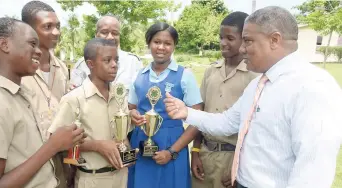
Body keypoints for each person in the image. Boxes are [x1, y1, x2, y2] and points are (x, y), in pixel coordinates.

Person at [164, 6, 342, 188]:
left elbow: (313, 170)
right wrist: (187, 112)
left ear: (274, 40)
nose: (241, 49)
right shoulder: (258, 85)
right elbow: (226, 123)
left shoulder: (312, 86)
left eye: (247, 41)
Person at [0, 17, 85, 188]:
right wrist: (52, 146)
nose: (38, 51)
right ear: (4, 45)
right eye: (32, 44)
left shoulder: (20, 94)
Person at [127, 22, 202, 188]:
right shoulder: (139, 75)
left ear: (174, 46)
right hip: (141, 144)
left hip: (173, 144)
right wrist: (132, 114)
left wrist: (172, 151)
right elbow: (131, 107)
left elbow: (198, 120)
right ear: (149, 43)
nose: (161, 47)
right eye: (156, 42)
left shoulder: (185, 76)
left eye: (167, 43)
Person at [48, 38, 129, 188]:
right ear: (90, 64)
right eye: (107, 60)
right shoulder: (73, 99)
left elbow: (123, 134)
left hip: (121, 176)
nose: (114, 65)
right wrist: (96, 146)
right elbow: (55, 142)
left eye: (116, 60)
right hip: (92, 178)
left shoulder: (119, 95)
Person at [190, 11, 258, 188]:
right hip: (205, 154)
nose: (223, 43)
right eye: (221, 37)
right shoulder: (210, 72)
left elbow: (255, 126)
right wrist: (196, 150)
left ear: (244, 39)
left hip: (233, 158)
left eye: (230, 38)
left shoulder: (254, 76)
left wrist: (240, 165)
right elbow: (201, 114)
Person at [20, 1, 70, 187]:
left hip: (64, 159)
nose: (56, 32)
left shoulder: (62, 68)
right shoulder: (19, 69)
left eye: (57, 26)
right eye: (47, 27)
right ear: (29, 29)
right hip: (34, 163)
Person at [70, 15, 143, 90]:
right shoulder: (83, 64)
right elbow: (75, 96)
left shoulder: (133, 63)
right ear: (96, 35)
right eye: (104, 32)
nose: (110, 37)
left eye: (115, 33)